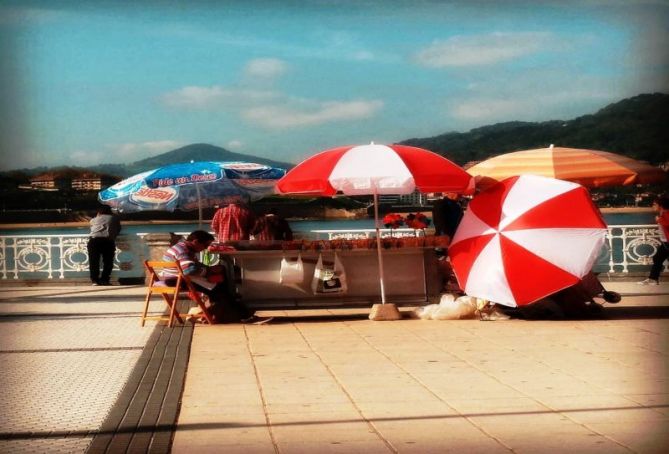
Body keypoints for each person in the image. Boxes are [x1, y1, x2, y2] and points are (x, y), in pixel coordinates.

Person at [161, 230, 257, 323]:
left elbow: (192, 266)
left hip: (175, 277)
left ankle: (223, 313)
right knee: (219, 290)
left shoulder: (180, 246)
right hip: (177, 280)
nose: (205, 248)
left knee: (220, 285)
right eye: (205, 245)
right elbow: (190, 270)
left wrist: (208, 268)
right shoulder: (183, 251)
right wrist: (209, 271)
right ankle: (243, 314)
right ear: (196, 242)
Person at [87, 205, 121, 286]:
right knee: (108, 262)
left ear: (99, 212)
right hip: (107, 241)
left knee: (94, 261)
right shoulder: (114, 218)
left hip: (94, 240)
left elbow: (91, 225)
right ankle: (105, 280)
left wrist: (97, 216)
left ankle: (95, 280)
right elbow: (118, 228)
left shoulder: (94, 219)